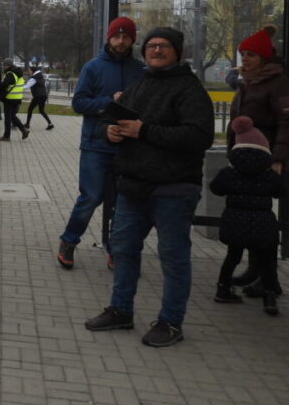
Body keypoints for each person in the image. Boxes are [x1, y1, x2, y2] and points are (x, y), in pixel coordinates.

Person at [84, 27, 214, 347]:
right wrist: (110, 132)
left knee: (173, 257)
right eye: (151, 46)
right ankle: (121, 310)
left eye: (164, 46)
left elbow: (198, 137)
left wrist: (144, 131)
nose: (156, 51)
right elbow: (110, 122)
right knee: (124, 249)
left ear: (178, 51)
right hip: (133, 184)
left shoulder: (190, 90)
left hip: (174, 187)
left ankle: (170, 321)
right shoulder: (139, 85)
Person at [57, 17, 144, 269]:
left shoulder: (140, 70)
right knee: (91, 197)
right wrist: (110, 101)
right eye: (116, 36)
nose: (120, 41)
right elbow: (79, 103)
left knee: (122, 201)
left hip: (127, 146)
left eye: (126, 37)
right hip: (95, 145)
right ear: (108, 38)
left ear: (132, 40)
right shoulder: (93, 67)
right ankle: (69, 241)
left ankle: (116, 249)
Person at [226, 26, 289, 298]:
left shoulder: (277, 82)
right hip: (246, 159)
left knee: (263, 222)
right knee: (251, 217)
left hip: (266, 160)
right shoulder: (249, 80)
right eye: (243, 54)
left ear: (264, 56)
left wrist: (277, 159)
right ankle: (255, 270)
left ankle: (267, 277)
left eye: (251, 54)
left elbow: (286, 122)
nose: (246, 59)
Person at [209, 116, 282, 315]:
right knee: (266, 261)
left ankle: (222, 289)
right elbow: (281, 191)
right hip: (263, 224)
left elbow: (215, 189)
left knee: (232, 256)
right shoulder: (269, 176)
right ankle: (269, 296)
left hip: (235, 223)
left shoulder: (229, 173)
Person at [0, 59, 29, 141]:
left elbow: (4, 84)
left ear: (8, 65)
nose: (3, 67)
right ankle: (24, 130)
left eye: (4, 65)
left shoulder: (11, 74)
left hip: (10, 98)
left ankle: (6, 136)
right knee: (12, 116)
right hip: (17, 98)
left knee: (8, 118)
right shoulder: (18, 73)